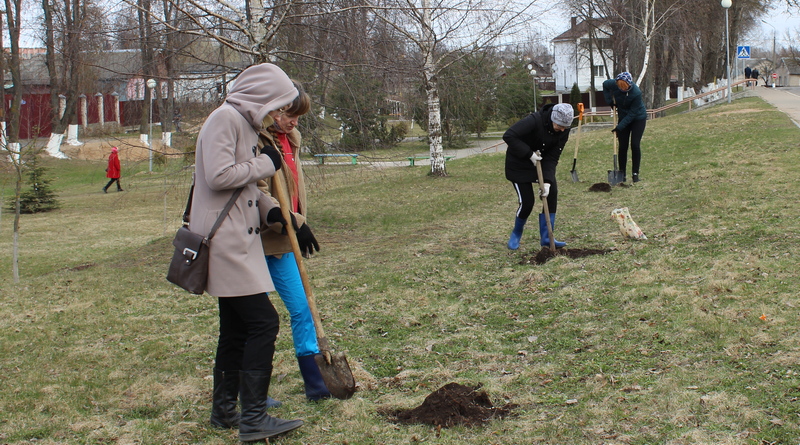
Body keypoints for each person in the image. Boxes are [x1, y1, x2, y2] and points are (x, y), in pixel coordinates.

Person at [191, 62, 303, 442]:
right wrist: (265, 162)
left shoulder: (243, 123)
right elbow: (219, 176)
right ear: (261, 96)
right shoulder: (225, 120)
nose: (277, 114)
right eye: (276, 105)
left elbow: (244, 189)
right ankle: (253, 419)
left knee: (236, 328)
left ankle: (224, 411)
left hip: (238, 236)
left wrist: (273, 210)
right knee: (263, 322)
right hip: (225, 241)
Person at [256, 81, 331, 402]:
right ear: (272, 109)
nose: (295, 121)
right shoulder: (257, 141)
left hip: (284, 240)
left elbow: (294, 190)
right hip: (258, 242)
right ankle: (250, 392)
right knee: (255, 322)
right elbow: (256, 193)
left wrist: (299, 222)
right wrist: (293, 223)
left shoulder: (290, 140)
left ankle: (315, 383)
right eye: (290, 113)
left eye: (298, 115)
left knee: (301, 310)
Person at [504, 103, 574, 250]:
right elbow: (509, 135)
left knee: (552, 193)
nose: (562, 129)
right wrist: (529, 154)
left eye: (565, 127)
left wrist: (547, 181)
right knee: (527, 202)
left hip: (541, 163)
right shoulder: (534, 121)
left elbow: (553, 156)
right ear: (552, 119)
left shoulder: (563, 131)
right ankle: (516, 233)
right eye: (560, 125)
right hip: (519, 164)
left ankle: (547, 237)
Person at [602, 72, 647, 183]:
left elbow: (632, 114)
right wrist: (610, 102)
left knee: (635, 145)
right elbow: (604, 85)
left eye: (624, 87)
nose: (621, 89)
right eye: (619, 87)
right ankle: (622, 174)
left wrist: (619, 127)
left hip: (637, 118)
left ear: (628, 84)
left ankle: (635, 174)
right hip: (623, 116)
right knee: (623, 146)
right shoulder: (613, 83)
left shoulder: (636, 93)